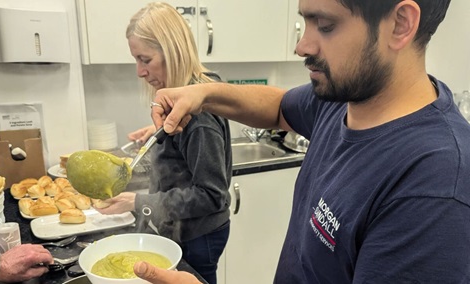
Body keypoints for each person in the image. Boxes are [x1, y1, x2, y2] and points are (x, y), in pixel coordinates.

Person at [140, 0, 470, 283]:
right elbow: (279, 107)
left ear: (400, 24)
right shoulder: (343, 100)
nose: (303, 46)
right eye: (304, 22)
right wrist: (203, 93)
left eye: (325, 25)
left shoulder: (434, 189)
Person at [95, 3, 232, 284]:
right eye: (136, 59)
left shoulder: (199, 118)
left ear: (172, 52)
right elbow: (185, 148)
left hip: (198, 236)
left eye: (145, 59)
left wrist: (137, 202)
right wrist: (160, 137)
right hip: (182, 230)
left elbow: (212, 195)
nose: (139, 72)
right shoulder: (185, 96)